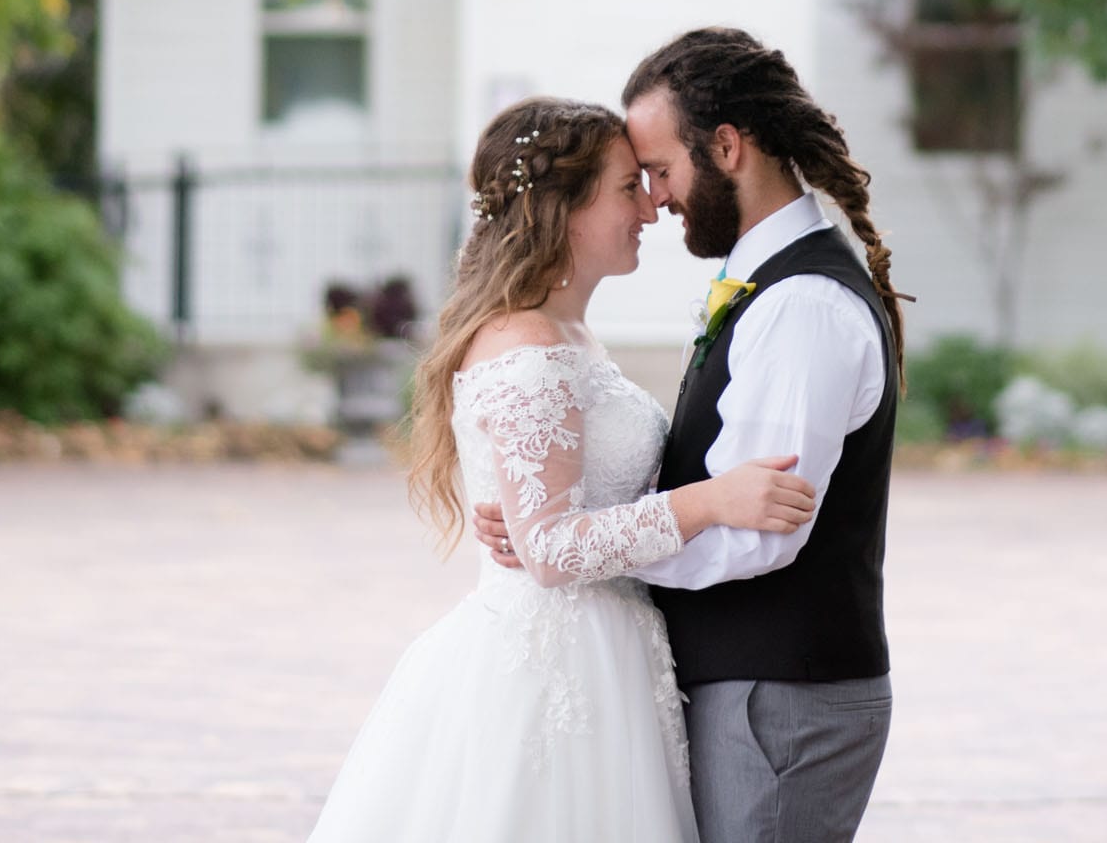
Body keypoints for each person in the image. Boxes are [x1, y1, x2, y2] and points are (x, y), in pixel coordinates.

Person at [308, 96, 819, 843]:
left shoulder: (568, 333)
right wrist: (711, 502)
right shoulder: (529, 347)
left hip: (609, 653)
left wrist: (541, 517)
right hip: (553, 667)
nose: (649, 207)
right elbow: (551, 551)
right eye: (625, 187)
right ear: (564, 211)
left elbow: (558, 520)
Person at [475, 28, 905, 843]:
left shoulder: (800, 307)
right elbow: (709, 494)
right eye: (635, 183)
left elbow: (755, 535)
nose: (656, 199)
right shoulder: (761, 289)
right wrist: (564, 524)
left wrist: (573, 545)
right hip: (751, 690)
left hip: (780, 699)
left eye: (662, 172)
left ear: (729, 148)